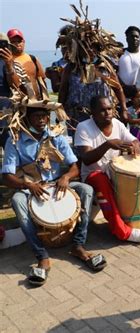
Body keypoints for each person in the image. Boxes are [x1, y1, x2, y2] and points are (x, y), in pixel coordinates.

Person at [2, 103, 106, 286]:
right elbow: (7, 176)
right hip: (31, 187)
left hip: (57, 183)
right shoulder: (15, 140)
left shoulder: (56, 136)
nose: (42, 120)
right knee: (17, 200)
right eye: (37, 116)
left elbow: (75, 166)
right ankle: (41, 255)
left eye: (44, 116)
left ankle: (78, 245)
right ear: (26, 118)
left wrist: (66, 177)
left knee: (86, 190)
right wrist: (27, 184)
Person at [74, 95, 140, 241]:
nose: (108, 113)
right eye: (102, 110)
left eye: (109, 109)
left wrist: (135, 146)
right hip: (94, 174)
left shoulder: (117, 124)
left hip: (116, 172)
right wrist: (108, 144)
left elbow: (134, 140)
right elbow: (86, 159)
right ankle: (122, 231)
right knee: (100, 179)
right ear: (92, 112)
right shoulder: (84, 127)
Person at [7, 29, 47, 100]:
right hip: (16, 103)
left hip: (36, 102)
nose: (17, 44)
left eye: (19, 41)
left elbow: (42, 80)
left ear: (24, 42)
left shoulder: (32, 59)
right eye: (13, 42)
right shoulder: (6, 61)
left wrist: (46, 99)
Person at [45, 25, 73, 93]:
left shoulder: (84, 64)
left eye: (70, 45)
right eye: (63, 46)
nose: (66, 50)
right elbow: (55, 88)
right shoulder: (56, 65)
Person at [118, 26, 140, 97]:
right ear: (127, 39)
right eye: (132, 36)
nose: (135, 39)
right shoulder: (119, 54)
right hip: (122, 94)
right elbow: (113, 72)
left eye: (137, 37)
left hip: (139, 95)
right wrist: (123, 86)